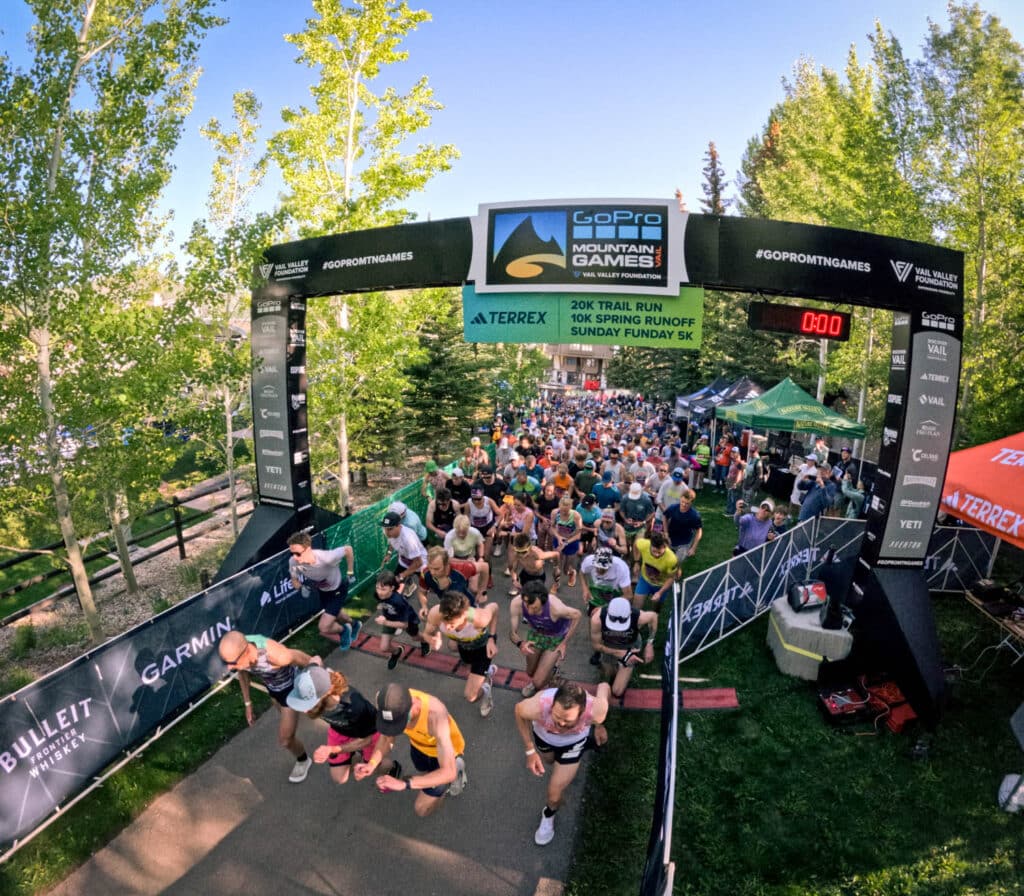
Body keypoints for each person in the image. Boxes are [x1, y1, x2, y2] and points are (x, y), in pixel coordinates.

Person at [514, 681, 611, 846]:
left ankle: (549, 814)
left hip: (573, 743)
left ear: (582, 712)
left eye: (567, 720)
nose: (560, 724)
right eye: (556, 716)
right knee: (549, 761)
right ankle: (565, 763)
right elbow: (518, 711)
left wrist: (599, 725)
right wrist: (530, 750)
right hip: (544, 739)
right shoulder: (537, 707)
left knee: (554, 792)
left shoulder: (597, 711)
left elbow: (605, 687)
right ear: (552, 706)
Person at [218, 630, 320, 783]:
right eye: (226, 663)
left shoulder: (276, 655)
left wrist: (324, 685)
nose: (229, 668)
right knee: (289, 726)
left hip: (291, 691)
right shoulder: (241, 656)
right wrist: (247, 703)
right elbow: (242, 672)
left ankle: (303, 760)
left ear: (246, 651)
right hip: (274, 691)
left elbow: (308, 660)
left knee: (286, 740)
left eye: (232, 663)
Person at [355, 683, 467, 817]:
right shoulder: (385, 701)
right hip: (419, 746)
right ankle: (437, 782)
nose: (395, 729)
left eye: (399, 724)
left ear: (413, 705)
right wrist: (372, 764)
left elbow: (448, 772)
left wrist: (404, 784)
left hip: (442, 754)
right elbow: (386, 739)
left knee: (421, 809)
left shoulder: (435, 716)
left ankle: (453, 771)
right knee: (423, 771)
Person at [287, 665, 401, 785]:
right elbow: (314, 661)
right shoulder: (318, 679)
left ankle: (393, 768)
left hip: (368, 735)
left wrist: (332, 749)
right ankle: (354, 753)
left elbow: (366, 740)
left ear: (326, 693)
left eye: (308, 703)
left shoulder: (354, 708)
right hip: (340, 730)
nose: (304, 710)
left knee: (377, 766)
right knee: (339, 778)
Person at [424, 590, 499, 717]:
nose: (447, 627)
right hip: (463, 644)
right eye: (444, 622)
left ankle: (486, 685)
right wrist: (432, 639)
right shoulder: (436, 613)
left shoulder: (479, 618)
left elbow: (495, 607)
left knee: (470, 696)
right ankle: (483, 673)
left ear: (464, 615)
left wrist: (492, 638)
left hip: (482, 648)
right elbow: (426, 633)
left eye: (451, 624)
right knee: (452, 646)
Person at [509, 580, 582, 697]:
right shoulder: (516, 603)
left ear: (543, 602)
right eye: (527, 606)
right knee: (530, 672)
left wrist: (564, 642)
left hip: (556, 637)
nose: (530, 612)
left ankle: (552, 672)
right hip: (536, 633)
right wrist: (521, 644)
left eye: (535, 608)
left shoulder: (556, 608)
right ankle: (544, 672)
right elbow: (512, 633)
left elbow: (577, 615)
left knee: (538, 683)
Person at [287, 532, 359, 648]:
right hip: (323, 591)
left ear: (308, 549)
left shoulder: (326, 558)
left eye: (298, 553)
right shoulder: (293, 561)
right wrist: (301, 588)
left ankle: (343, 630)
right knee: (338, 614)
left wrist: (350, 572)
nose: (294, 557)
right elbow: (294, 580)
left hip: (338, 589)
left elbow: (348, 549)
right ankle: (355, 624)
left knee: (324, 627)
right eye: (291, 553)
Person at [590, 596, 658, 698]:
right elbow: (596, 645)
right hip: (609, 646)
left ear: (630, 613)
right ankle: (619, 668)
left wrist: (649, 644)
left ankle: (627, 665)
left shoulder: (638, 616)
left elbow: (653, 616)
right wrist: (618, 653)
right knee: (608, 674)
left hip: (630, 647)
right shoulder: (597, 619)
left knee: (617, 691)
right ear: (608, 612)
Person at [579, 547, 633, 664]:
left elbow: (628, 595)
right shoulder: (588, 561)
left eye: (604, 568)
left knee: (609, 625)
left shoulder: (621, 568)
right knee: (593, 623)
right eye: (597, 567)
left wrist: (605, 608)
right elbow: (582, 573)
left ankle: (611, 646)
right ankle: (597, 650)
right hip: (595, 597)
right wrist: (585, 588)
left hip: (615, 599)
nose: (600, 570)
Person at [373, 570, 431, 669]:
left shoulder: (399, 602)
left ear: (392, 588)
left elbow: (404, 625)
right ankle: (397, 652)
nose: (379, 592)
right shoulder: (378, 594)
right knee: (384, 647)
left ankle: (425, 641)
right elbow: (381, 600)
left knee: (415, 637)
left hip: (407, 620)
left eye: (383, 589)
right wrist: (381, 605)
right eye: (377, 588)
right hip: (390, 618)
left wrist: (385, 622)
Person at [381, 510, 428, 599]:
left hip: (420, 565)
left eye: (390, 529)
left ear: (399, 526)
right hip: (404, 561)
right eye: (385, 528)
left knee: (429, 587)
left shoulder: (408, 539)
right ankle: (410, 586)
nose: (387, 532)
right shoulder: (390, 534)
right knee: (393, 583)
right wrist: (389, 554)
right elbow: (391, 542)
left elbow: (418, 562)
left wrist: (401, 576)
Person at [632, 531, 680, 609]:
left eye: (659, 552)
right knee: (635, 607)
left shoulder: (671, 559)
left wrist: (660, 592)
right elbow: (635, 544)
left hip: (661, 585)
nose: (656, 555)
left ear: (665, 547)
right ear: (650, 545)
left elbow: (671, 578)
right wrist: (636, 562)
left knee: (656, 608)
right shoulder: (644, 544)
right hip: (644, 580)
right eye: (654, 551)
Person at [508, 532, 561, 598]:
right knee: (525, 594)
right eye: (519, 552)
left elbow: (556, 554)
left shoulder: (537, 554)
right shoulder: (516, 553)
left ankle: (555, 584)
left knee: (535, 597)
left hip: (538, 577)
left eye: (524, 552)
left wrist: (556, 567)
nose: (521, 555)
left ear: (530, 548)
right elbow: (513, 568)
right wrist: (514, 580)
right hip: (525, 574)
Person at [661, 489, 702, 571]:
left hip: (684, 543)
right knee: (665, 560)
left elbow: (699, 531)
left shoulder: (694, 515)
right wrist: (665, 532)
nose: (683, 505)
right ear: (680, 498)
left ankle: (676, 570)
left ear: (691, 503)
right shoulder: (673, 508)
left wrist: (693, 548)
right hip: (671, 538)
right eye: (682, 502)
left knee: (675, 563)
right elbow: (665, 516)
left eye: (687, 503)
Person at [550, 494, 583, 589]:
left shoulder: (576, 516)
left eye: (566, 511)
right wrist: (558, 537)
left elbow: (578, 535)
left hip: (571, 542)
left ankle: (572, 572)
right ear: (559, 506)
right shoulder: (555, 513)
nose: (564, 512)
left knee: (566, 570)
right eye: (562, 510)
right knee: (556, 566)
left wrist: (566, 542)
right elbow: (552, 527)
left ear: (571, 507)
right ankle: (556, 583)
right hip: (559, 540)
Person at [619, 481, 655, 556]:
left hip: (641, 526)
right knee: (627, 544)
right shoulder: (625, 498)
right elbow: (621, 510)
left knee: (637, 544)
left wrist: (643, 522)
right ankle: (628, 557)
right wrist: (625, 519)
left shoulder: (646, 499)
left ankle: (636, 560)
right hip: (628, 526)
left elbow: (652, 513)